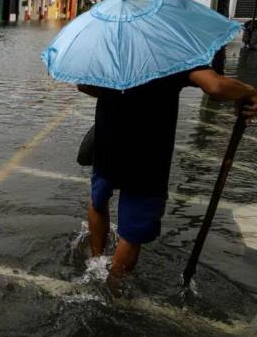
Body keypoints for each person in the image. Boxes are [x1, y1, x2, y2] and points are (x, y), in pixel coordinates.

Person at [78, 66, 257, 286]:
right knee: (132, 234)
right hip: (148, 157)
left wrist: (120, 90)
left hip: (107, 143)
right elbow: (215, 86)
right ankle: (112, 290)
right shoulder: (173, 52)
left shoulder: (111, 48)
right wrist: (249, 91)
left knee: (98, 201)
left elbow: (84, 85)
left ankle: (96, 262)